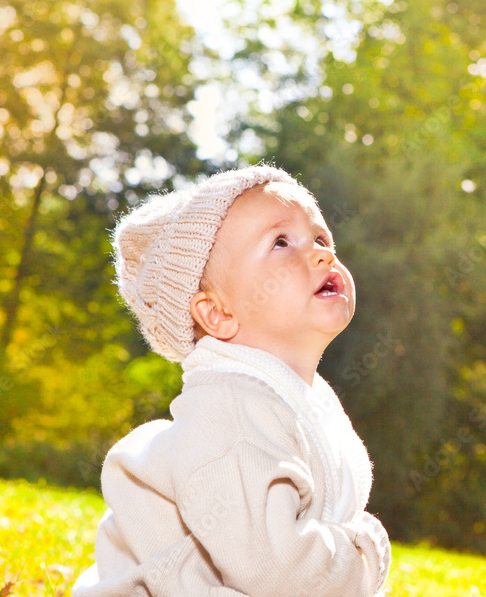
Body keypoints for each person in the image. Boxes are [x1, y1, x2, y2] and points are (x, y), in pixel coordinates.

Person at [72, 163, 391, 597]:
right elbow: (276, 572)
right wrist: (367, 554)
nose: (322, 254)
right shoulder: (231, 411)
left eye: (320, 238)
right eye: (281, 242)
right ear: (217, 314)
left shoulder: (298, 398)